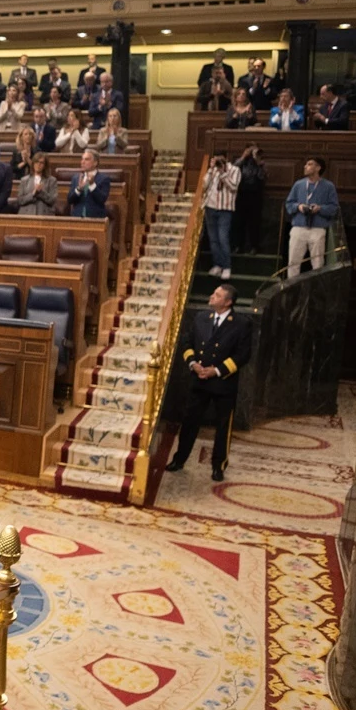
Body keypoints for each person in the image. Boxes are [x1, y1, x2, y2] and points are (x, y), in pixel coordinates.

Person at [164, 284, 250, 482]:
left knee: (222, 428)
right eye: (213, 293)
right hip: (199, 380)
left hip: (223, 384)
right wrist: (193, 364)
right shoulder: (202, 317)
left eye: (217, 295)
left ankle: (218, 466)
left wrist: (216, 371)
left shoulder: (241, 324)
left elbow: (242, 355)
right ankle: (179, 459)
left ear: (227, 302)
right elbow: (187, 342)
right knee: (189, 422)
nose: (212, 296)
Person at [283, 156, 340, 278]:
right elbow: (289, 203)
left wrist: (320, 208)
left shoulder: (328, 186)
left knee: (318, 263)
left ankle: (317, 291)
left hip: (318, 228)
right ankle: (292, 291)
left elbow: (334, 207)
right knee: (293, 262)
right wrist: (299, 207)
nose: (305, 166)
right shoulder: (298, 185)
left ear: (318, 168)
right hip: (299, 227)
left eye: (309, 164)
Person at [201, 151, 241, 278]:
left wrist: (223, 173)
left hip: (225, 209)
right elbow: (204, 185)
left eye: (219, 159)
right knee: (213, 239)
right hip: (210, 207)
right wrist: (210, 170)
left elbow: (234, 187)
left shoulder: (234, 170)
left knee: (222, 238)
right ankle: (217, 264)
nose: (217, 161)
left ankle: (226, 266)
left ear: (226, 159)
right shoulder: (213, 170)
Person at [67, 148, 110, 219]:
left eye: (86, 159)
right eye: (82, 159)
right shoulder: (76, 178)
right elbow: (69, 200)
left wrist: (92, 185)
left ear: (95, 163)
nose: (82, 162)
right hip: (77, 218)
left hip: (95, 218)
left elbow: (102, 200)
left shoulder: (104, 179)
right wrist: (79, 189)